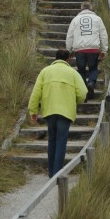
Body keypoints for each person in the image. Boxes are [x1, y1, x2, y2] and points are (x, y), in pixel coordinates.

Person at [28, 48, 87, 178]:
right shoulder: (73, 73)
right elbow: (83, 93)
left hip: (49, 111)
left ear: (55, 58)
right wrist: (75, 100)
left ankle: (51, 172)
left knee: (52, 140)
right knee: (61, 141)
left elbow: (36, 92)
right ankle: (57, 173)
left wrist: (33, 110)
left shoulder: (45, 71)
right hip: (65, 112)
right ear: (68, 59)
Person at [66, 1, 108, 99]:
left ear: (81, 9)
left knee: (81, 70)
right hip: (93, 49)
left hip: (79, 49)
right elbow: (103, 35)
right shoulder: (97, 19)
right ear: (91, 8)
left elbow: (70, 36)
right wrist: (104, 50)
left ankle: (84, 89)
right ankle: (91, 83)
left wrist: (69, 50)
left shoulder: (75, 19)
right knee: (93, 68)